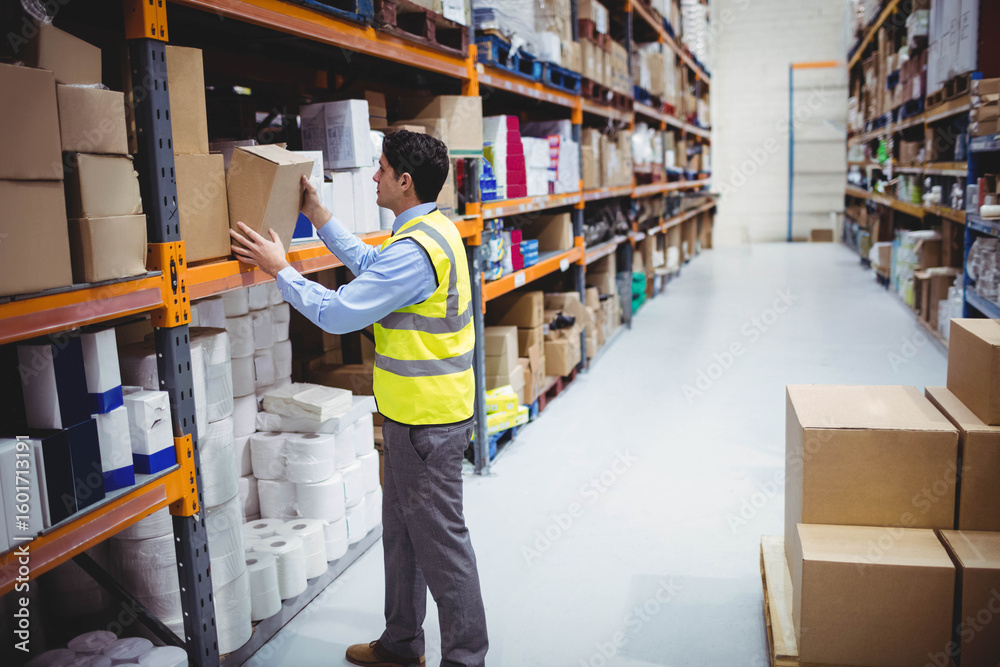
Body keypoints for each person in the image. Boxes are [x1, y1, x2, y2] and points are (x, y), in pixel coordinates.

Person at [229, 130, 488, 667]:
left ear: (404, 181)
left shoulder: (416, 250)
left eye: (382, 168)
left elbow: (338, 312)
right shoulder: (429, 231)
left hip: (427, 425)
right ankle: (400, 644)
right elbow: (375, 270)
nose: (374, 176)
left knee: (442, 548)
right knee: (403, 538)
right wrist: (321, 217)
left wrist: (281, 268)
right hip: (409, 419)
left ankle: (466, 658)